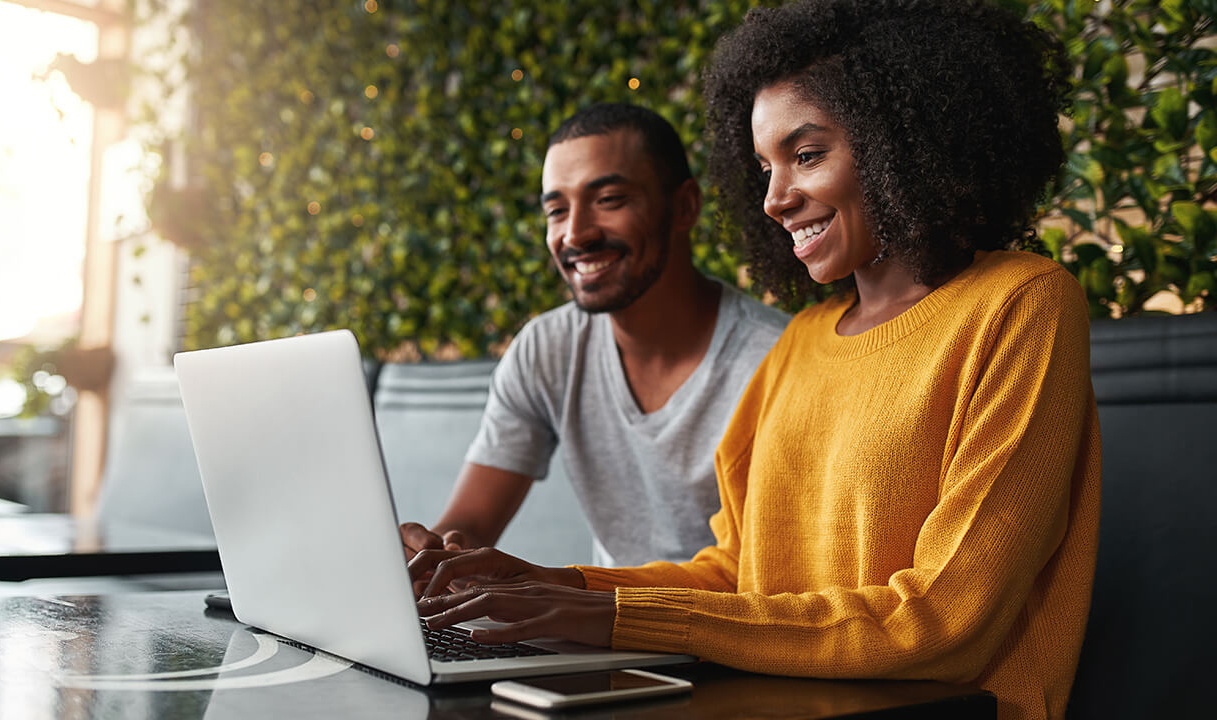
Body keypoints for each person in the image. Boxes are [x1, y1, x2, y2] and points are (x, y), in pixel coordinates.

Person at [408, 2, 1101, 719]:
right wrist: (558, 585)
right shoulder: (802, 340)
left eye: (807, 155)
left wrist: (613, 617)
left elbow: (945, 620)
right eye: (765, 167)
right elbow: (736, 574)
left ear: (902, 141)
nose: (774, 199)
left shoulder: (1022, 305)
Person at [400, 103, 789, 567]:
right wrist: (429, 553)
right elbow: (469, 527)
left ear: (684, 206)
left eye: (609, 200)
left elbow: (774, 579)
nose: (575, 234)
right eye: (556, 210)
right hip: (594, 613)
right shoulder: (547, 350)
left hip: (715, 614)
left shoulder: (774, 362)